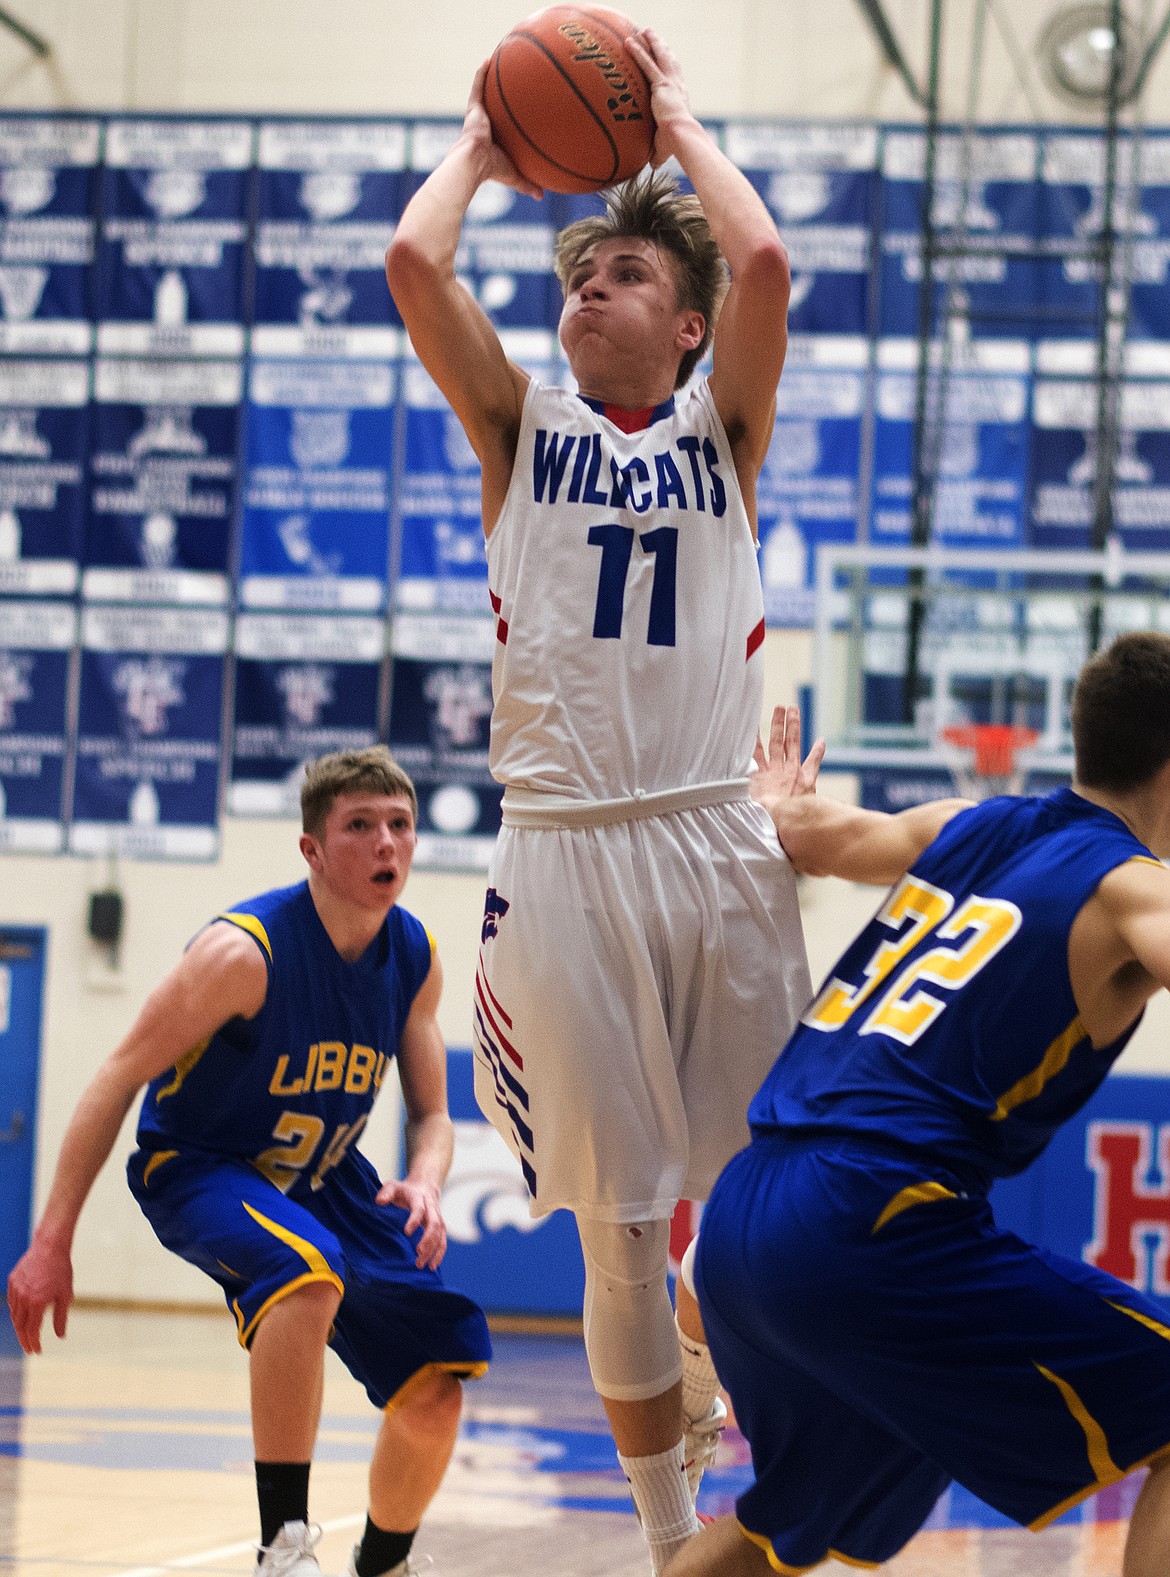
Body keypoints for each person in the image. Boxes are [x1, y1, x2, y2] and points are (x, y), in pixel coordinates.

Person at [385, 24, 813, 1573]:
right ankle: (664, 1540)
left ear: (684, 327)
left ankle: (748, 1399)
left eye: (623, 277)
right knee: (619, 1228)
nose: (586, 291)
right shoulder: (521, 429)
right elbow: (410, 265)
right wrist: (490, 152)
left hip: (716, 839)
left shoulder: (725, 433)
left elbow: (760, 260)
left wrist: (676, 121)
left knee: (780, 1192)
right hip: (564, 853)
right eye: (576, 276)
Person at [665, 633, 1170, 1577]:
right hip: (870, 1218)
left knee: (785, 1526)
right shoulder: (1131, 887)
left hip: (743, 1215)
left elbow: (812, 833)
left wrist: (780, 800)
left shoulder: (962, 825)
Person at [7, 746, 491, 1577]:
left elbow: (434, 1112)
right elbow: (117, 1074)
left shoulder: (414, 956)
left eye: (401, 826)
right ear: (311, 848)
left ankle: (384, 1565)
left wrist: (427, 1181)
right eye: (361, 826)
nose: (387, 844)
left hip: (324, 1175)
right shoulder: (245, 954)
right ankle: (284, 1544)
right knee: (305, 1269)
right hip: (199, 1162)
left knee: (434, 1389)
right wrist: (52, 1238)